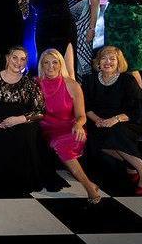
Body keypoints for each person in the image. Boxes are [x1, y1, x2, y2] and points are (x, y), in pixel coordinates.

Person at [0, 46, 63, 193]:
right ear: (7, 58)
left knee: (24, 135)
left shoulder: (29, 83)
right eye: (15, 57)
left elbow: (40, 111)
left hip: (21, 122)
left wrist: (20, 119)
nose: (18, 62)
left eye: (23, 59)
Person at [83, 46, 142, 195]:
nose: (108, 62)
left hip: (128, 121)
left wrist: (115, 119)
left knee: (114, 132)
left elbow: (136, 109)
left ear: (119, 62)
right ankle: (129, 163)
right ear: (98, 62)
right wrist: (99, 120)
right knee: (92, 139)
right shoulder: (90, 80)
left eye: (112, 59)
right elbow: (86, 107)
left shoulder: (127, 80)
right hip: (99, 121)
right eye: (104, 58)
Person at [37, 49, 100, 203]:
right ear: (41, 65)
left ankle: (88, 187)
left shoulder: (72, 85)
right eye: (46, 62)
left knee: (61, 145)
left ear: (61, 64)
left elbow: (82, 115)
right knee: (57, 143)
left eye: (55, 62)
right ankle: (89, 184)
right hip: (46, 129)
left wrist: (78, 125)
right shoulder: (35, 83)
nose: (50, 66)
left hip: (70, 127)